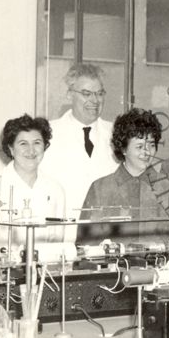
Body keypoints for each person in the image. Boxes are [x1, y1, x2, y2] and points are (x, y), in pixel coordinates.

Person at [0, 115, 65, 262]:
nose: (31, 150)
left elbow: (58, 241)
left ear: (45, 146)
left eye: (37, 142)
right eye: (23, 144)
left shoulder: (56, 189)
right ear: (11, 149)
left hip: (45, 275)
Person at [77, 108, 169, 248]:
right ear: (123, 149)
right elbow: (86, 244)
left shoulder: (168, 187)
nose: (147, 152)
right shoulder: (100, 188)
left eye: (151, 145)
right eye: (139, 146)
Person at [39, 63, 118, 225]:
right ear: (69, 94)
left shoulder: (116, 134)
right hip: (60, 232)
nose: (94, 100)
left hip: (105, 234)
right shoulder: (47, 134)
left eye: (99, 93)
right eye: (86, 93)